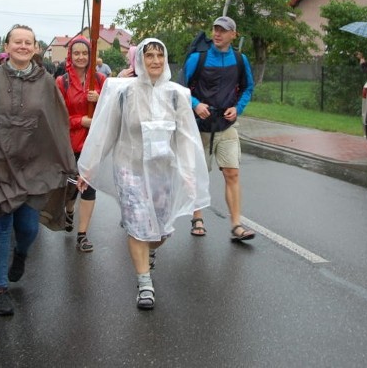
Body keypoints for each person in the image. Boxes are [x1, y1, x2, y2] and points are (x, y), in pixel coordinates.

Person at [0, 24, 78, 316]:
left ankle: (20, 254)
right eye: (16, 41)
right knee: (1, 225)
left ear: (34, 47)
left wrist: (68, 165)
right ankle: (0, 289)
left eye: (28, 42)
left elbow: (58, 126)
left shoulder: (46, 83)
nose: (22, 46)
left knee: (28, 227)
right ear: (5, 46)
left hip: (33, 168)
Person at [77, 38, 210, 310]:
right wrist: (89, 166)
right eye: (149, 56)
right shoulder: (123, 92)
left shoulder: (177, 95)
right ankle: (144, 283)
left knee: (161, 230)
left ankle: (147, 250)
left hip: (163, 171)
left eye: (160, 56)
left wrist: (188, 173)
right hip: (130, 169)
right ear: (140, 60)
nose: (155, 61)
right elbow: (105, 133)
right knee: (139, 224)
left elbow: (185, 138)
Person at [183, 16, 255, 241]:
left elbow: (248, 87)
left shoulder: (240, 60)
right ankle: (197, 217)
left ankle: (236, 225)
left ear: (233, 34)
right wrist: (195, 104)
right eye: (215, 29)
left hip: (226, 126)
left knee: (232, 173)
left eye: (223, 30)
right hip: (199, 127)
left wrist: (238, 108)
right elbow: (179, 88)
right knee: (198, 175)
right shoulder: (198, 58)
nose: (217, 34)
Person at [55, 36, 106, 252]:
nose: (81, 57)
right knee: (71, 188)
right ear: (70, 56)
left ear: (91, 55)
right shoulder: (62, 82)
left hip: (92, 145)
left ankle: (82, 234)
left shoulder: (101, 79)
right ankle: (68, 211)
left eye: (85, 53)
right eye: (76, 53)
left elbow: (111, 110)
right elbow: (56, 116)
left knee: (89, 188)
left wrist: (100, 98)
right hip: (69, 145)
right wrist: (80, 121)